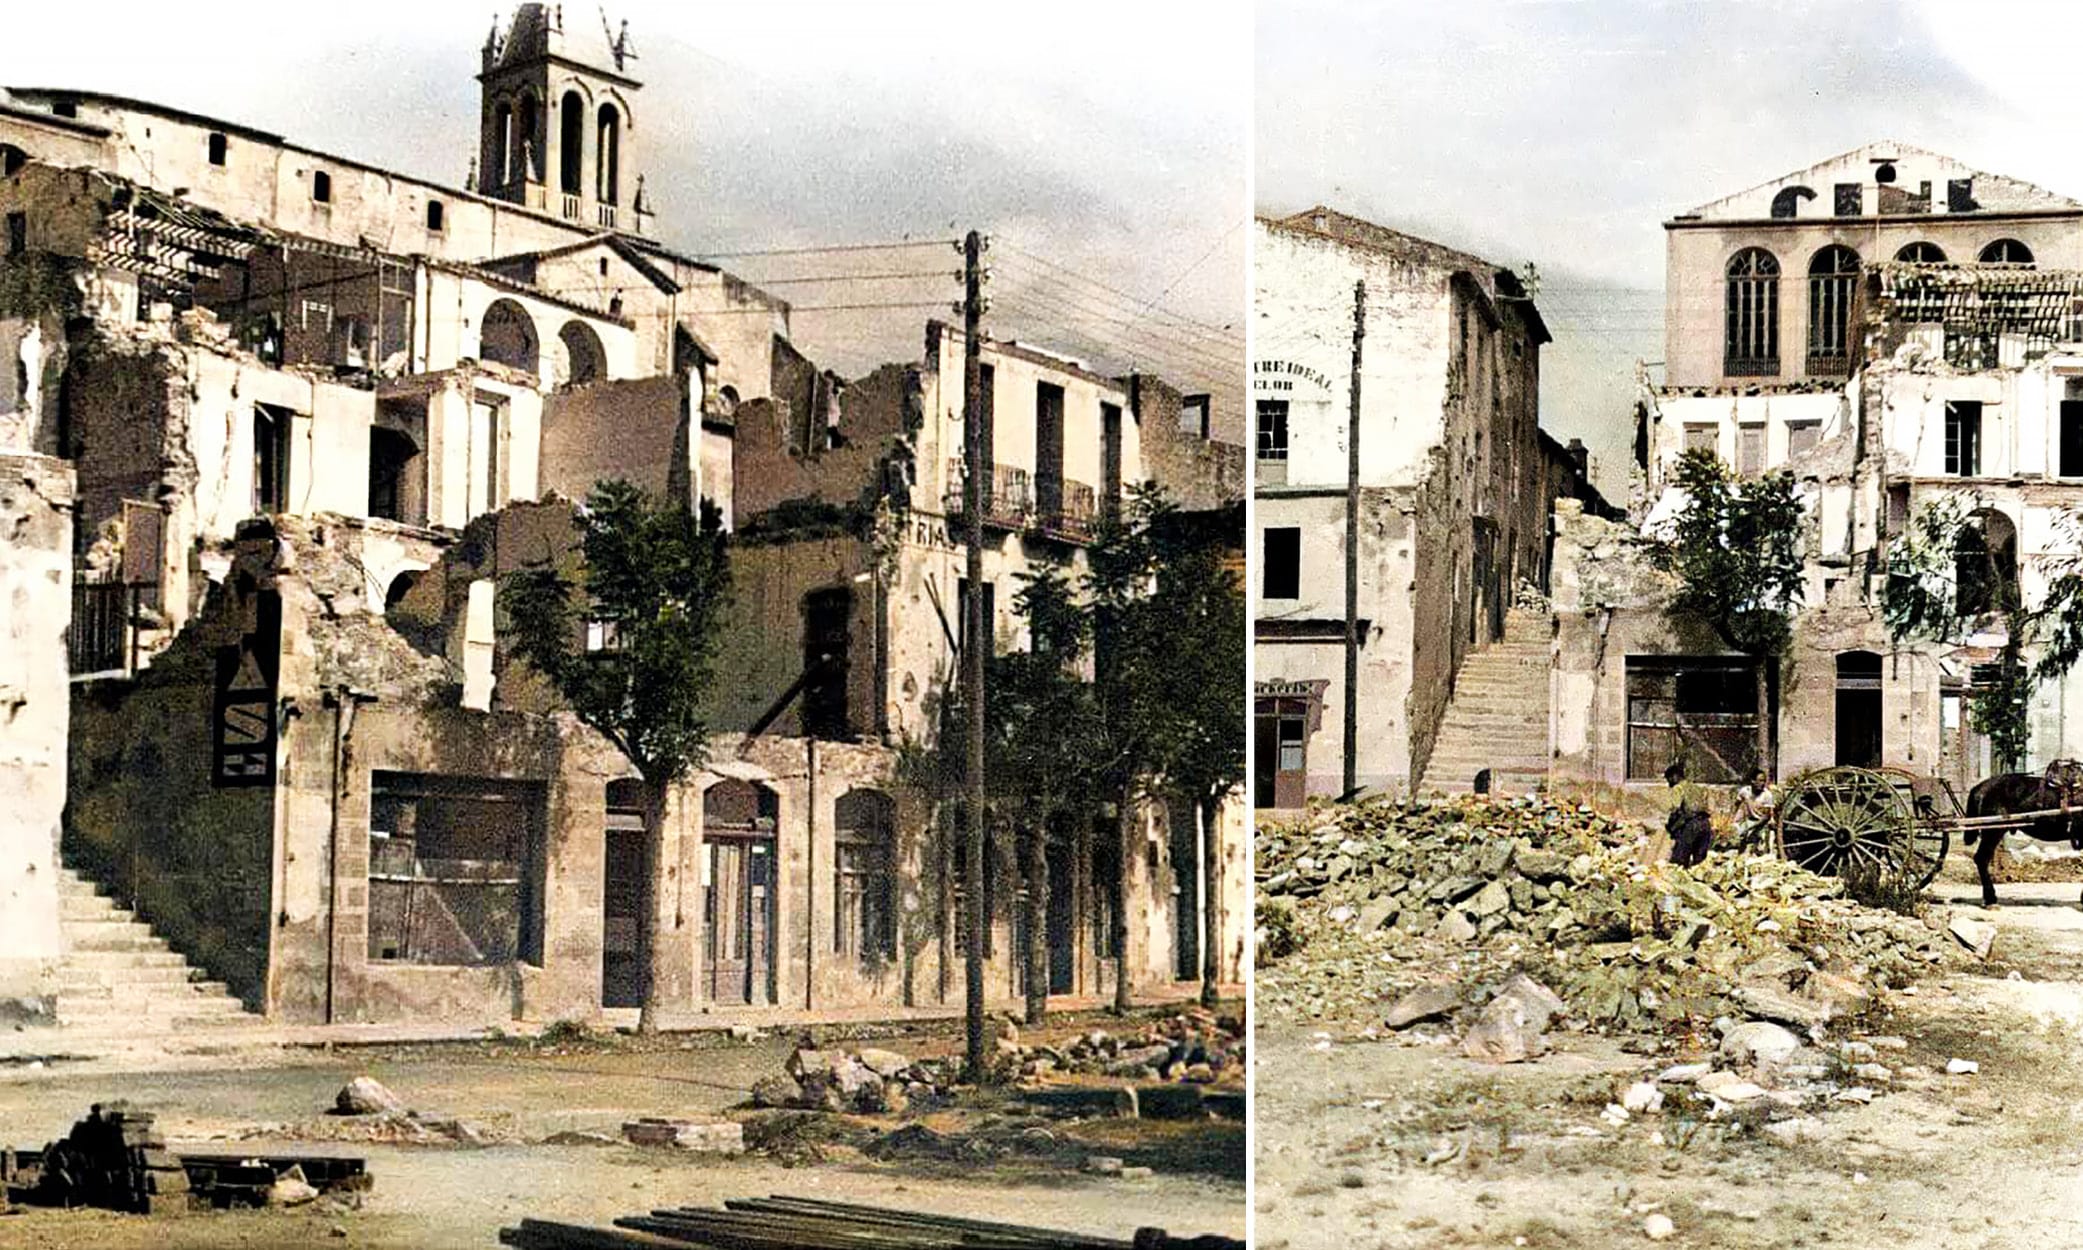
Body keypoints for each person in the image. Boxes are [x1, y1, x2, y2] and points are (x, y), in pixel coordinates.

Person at [1664, 759, 1714, 867]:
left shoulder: (1678, 788)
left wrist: (1671, 826)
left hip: (1691, 825)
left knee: (1679, 861)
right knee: (1700, 863)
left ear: (1674, 776)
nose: (1669, 784)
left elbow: (1675, 808)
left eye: (1669, 780)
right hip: (1705, 824)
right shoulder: (1696, 787)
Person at [1733, 770, 1776, 852]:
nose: (1762, 783)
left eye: (1764, 781)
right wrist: (1735, 820)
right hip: (1749, 820)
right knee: (1735, 835)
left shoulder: (1767, 795)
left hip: (1762, 823)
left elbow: (1766, 817)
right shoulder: (1745, 791)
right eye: (1760, 780)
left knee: (1762, 846)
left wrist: (1750, 828)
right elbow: (1737, 804)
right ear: (1752, 781)